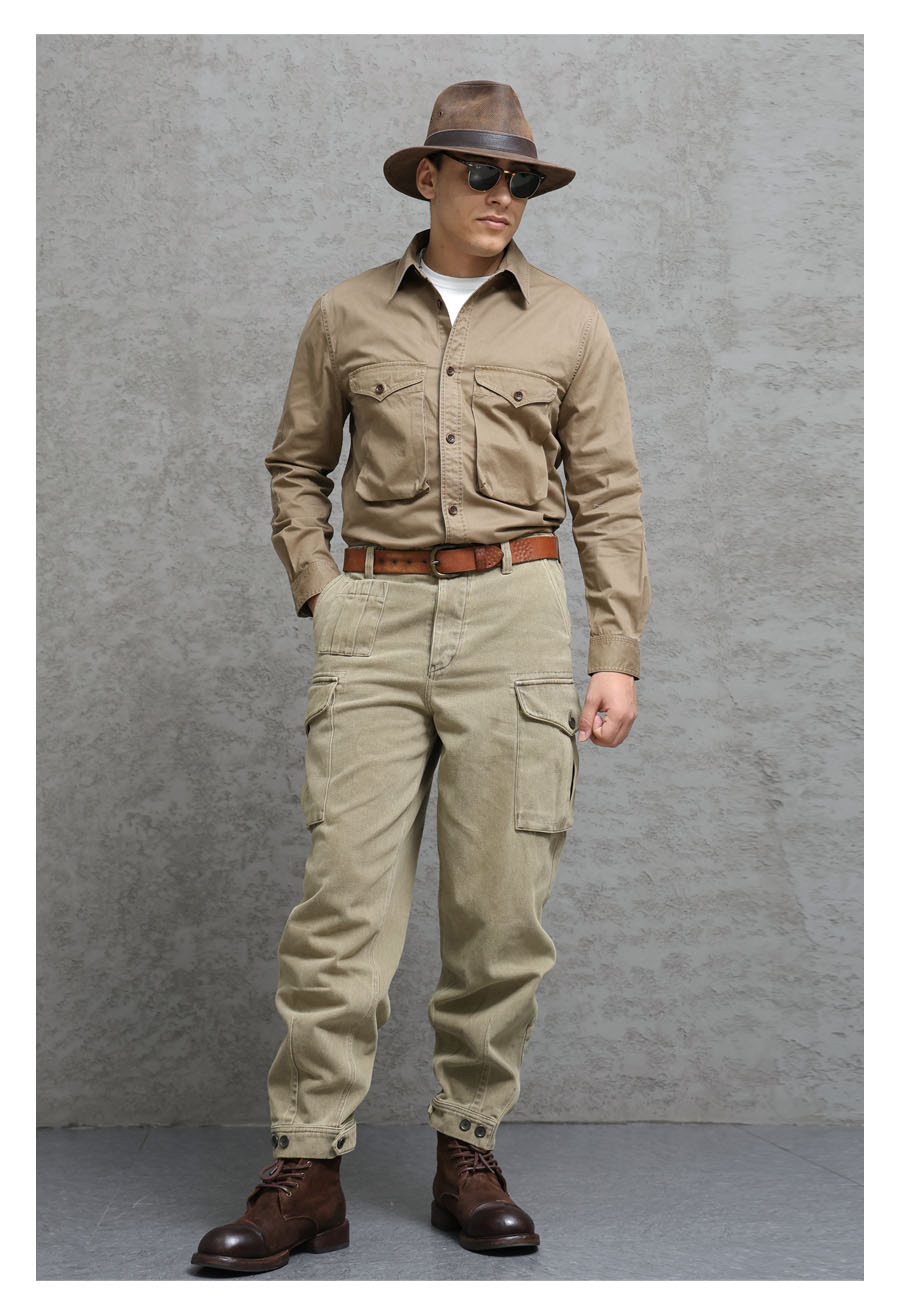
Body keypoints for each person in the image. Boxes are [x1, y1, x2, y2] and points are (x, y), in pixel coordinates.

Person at [191, 79, 650, 1274]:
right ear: (429, 178)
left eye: (522, 180)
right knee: (341, 908)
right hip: (376, 617)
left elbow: (608, 495)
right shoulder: (344, 312)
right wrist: (323, 590)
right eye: (483, 173)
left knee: (501, 910)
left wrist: (615, 652)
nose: (505, 196)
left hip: (517, 616)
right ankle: (307, 1172)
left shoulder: (570, 323)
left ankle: (468, 1154)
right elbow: (296, 465)